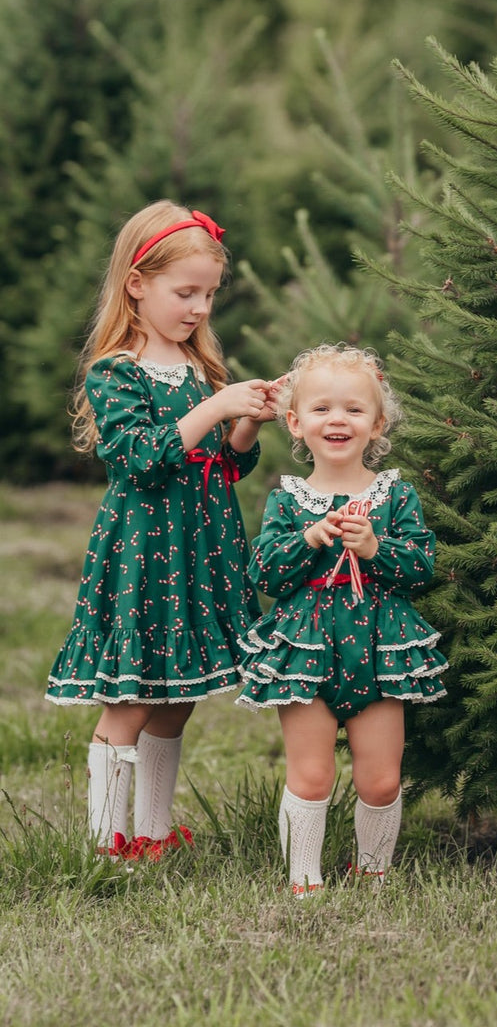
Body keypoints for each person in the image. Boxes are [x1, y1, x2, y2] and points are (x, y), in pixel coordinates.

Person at [46, 201, 276, 858]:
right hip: (147, 552)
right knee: (133, 698)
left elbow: (226, 465)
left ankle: (150, 832)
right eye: (186, 293)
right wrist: (215, 406)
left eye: (208, 294)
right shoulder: (115, 371)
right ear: (137, 285)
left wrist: (250, 416)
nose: (200, 308)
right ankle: (103, 844)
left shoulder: (199, 367)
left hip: (200, 549)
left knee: (178, 699)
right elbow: (140, 458)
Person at [238, 344, 447, 895]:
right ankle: (304, 879)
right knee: (312, 775)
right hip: (306, 648)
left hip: (380, 646)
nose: (338, 419)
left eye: (354, 409)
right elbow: (264, 573)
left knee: (380, 779)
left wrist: (375, 547)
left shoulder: (394, 495)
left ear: (377, 424)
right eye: (322, 408)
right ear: (296, 422)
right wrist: (309, 539)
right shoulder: (290, 500)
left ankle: (373, 871)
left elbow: (422, 567)